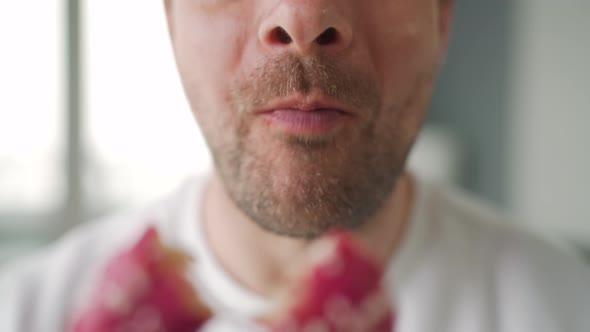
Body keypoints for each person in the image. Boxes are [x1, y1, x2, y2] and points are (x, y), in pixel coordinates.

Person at [1, 0, 589, 331]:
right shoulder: (25, 314)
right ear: (170, 16)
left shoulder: (569, 308)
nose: (303, 17)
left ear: (443, 16)